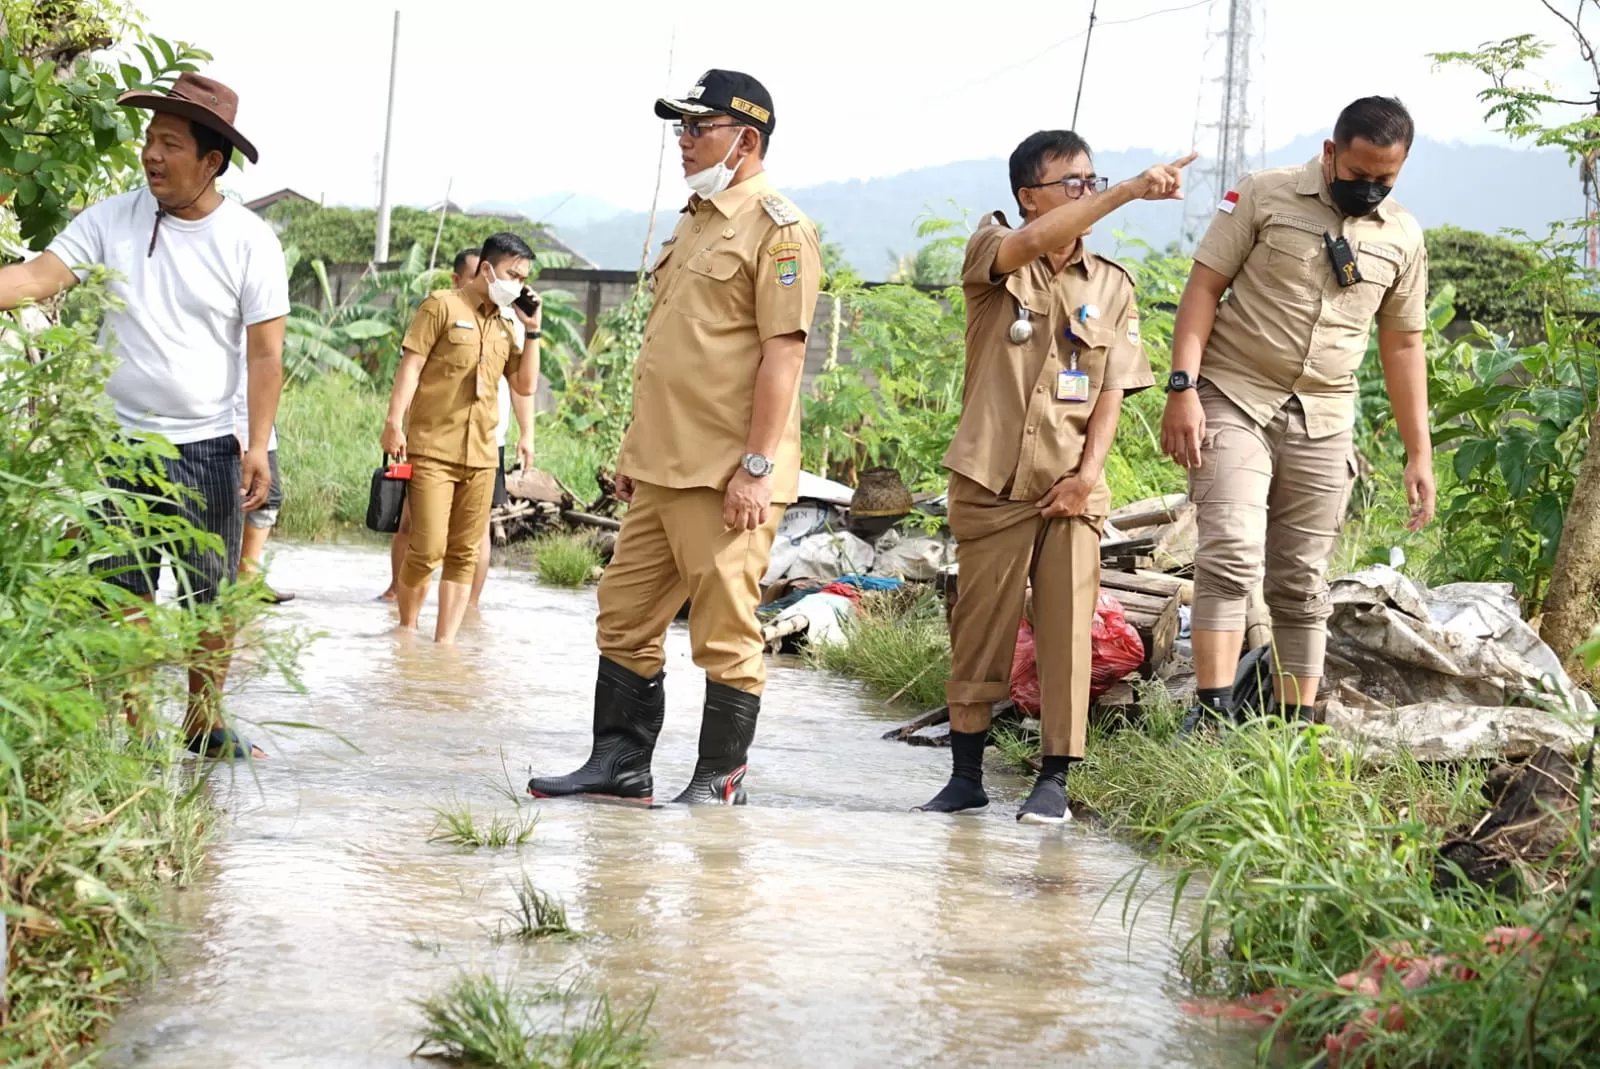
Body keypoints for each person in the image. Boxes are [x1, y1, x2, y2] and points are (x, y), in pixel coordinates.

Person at [527, 69, 821, 806]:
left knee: (723, 630)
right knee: (623, 616)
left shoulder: (779, 229)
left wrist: (756, 466)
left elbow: (784, 355)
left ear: (745, 139)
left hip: (725, 473)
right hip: (662, 467)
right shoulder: (695, 219)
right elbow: (668, 349)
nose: (683, 142)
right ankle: (619, 765)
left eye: (698, 128)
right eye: (680, 129)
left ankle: (720, 777)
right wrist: (633, 451)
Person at [0, 73, 287, 759]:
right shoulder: (112, 217)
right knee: (117, 591)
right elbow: (39, 276)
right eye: (148, 140)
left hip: (208, 448)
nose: (151, 155)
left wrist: (257, 446)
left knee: (207, 598)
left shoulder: (250, 240)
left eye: (170, 143)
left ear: (212, 161)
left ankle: (203, 720)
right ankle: (125, 729)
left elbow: (265, 353)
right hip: (116, 445)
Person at [914, 132, 1192, 823]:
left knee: (1069, 630)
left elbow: (1110, 393)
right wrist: (1127, 191)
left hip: (1071, 488)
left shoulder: (1111, 285)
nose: (1087, 191)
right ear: (1027, 196)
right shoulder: (994, 255)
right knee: (981, 627)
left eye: (1093, 179)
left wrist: (1086, 475)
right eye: (1072, 183)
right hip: (991, 480)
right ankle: (967, 773)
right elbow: (1025, 245)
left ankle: (1055, 779)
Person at [1160, 96, 1434, 729]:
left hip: (1325, 415)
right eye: (1357, 173)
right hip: (1234, 395)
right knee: (1229, 552)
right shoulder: (1264, 194)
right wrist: (1182, 388)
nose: (1367, 188)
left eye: (1384, 180)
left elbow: (1403, 343)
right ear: (1329, 152)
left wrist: (1419, 454)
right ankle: (1211, 717)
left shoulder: (1403, 236)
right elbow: (1204, 287)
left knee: (1303, 579)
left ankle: (1292, 727)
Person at [382, 233, 539, 644]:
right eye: (513, 274)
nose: (519, 284)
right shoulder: (441, 305)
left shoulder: (507, 325)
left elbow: (524, 385)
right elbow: (411, 368)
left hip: (484, 454)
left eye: (524, 278)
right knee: (428, 546)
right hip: (433, 448)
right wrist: (394, 422)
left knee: (464, 554)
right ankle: (406, 629)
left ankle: (445, 645)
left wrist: (534, 332)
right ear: (488, 268)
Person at [236, 371, 293, 605]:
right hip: (222, 422)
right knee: (223, 501)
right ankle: (222, 579)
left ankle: (246, 577)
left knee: (269, 499)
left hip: (259, 425)